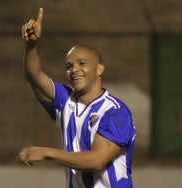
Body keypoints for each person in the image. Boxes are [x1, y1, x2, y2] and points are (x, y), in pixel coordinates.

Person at [17, 8, 136, 188]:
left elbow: (96, 160)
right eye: (69, 66)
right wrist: (31, 46)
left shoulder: (116, 112)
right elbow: (34, 77)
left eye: (82, 63)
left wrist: (46, 153)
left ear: (99, 69)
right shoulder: (66, 102)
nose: (74, 70)